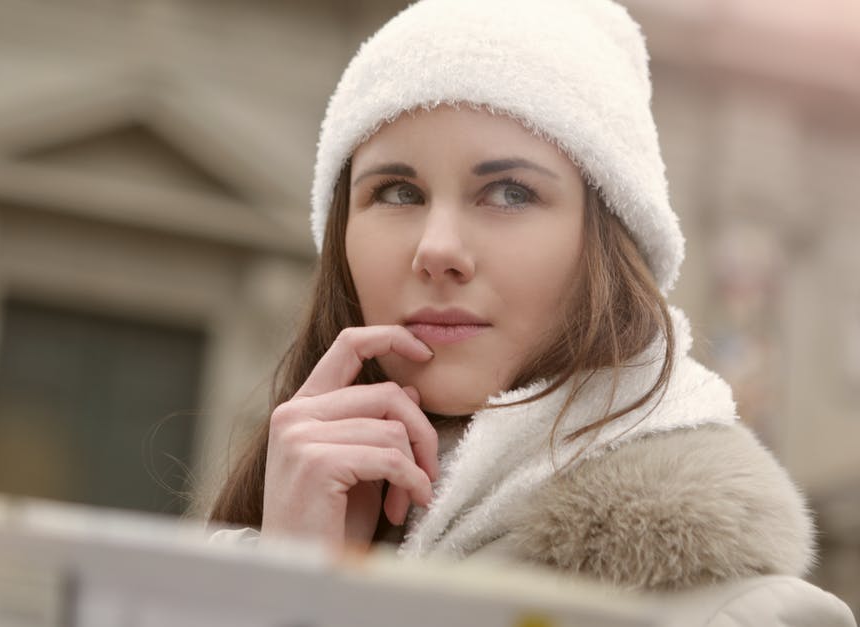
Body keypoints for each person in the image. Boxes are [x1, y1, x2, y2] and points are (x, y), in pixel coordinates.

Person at [204, 0, 857, 624]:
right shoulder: (211, 583)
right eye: (397, 190)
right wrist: (289, 586)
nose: (437, 249)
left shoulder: (749, 617)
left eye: (509, 192)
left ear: (606, 239)